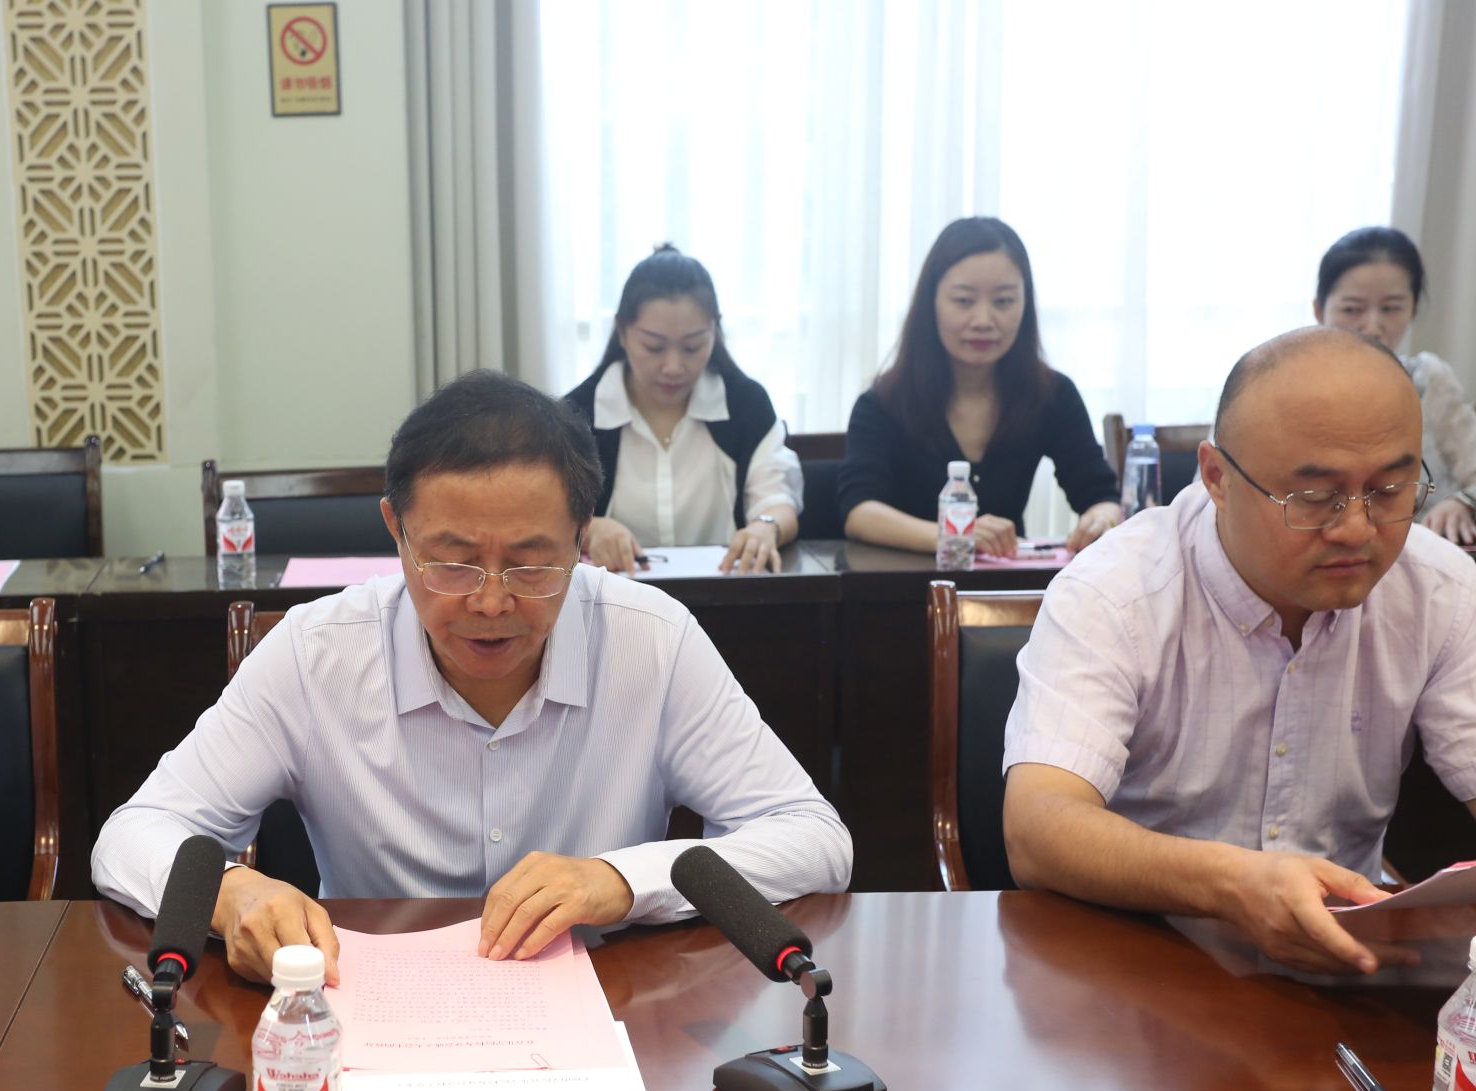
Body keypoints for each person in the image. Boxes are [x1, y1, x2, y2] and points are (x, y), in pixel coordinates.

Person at [93, 369, 851, 983]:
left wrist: (622, 880)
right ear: (396, 531)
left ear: (583, 539)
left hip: (606, 1010)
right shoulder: (315, 653)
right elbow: (131, 836)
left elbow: (813, 837)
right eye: (452, 562)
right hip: (368, 1008)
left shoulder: (651, 640)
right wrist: (229, 893)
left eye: (531, 563)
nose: (491, 602)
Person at [1002, 326, 1476, 976]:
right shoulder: (1117, 591)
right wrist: (1231, 885)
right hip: (1134, 962)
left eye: (1390, 490)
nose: (1357, 529)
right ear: (1217, 477)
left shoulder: (1440, 589)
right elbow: (1037, 827)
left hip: (1345, 967)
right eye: (1316, 498)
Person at [838, 217, 1122, 557]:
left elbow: (1102, 496)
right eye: (963, 301)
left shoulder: (1052, 395)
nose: (983, 320)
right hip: (905, 581)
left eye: (1003, 302)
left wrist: (1101, 518)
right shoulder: (883, 402)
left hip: (1010, 585)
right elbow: (860, 512)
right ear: (931, 304)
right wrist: (956, 536)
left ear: (1025, 305)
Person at [561, 246, 802, 574]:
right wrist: (591, 529)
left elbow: (777, 497)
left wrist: (765, 527)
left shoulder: (745, 405)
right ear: (622, 332)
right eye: (654, 347)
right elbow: (545, 515)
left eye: (692, 347)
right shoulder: (577, 415)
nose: (673, 367)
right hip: (611, 596)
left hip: (726, 589)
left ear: (715, 332)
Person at [1313, 226, 1476, 545]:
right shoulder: (1286, 388)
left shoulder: (1429, 380)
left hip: (1424, 554)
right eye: (1352, 309)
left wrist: (1463, 502)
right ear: (1319, 310)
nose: (1373, 326)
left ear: (1412, 309)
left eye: (1390, 308)